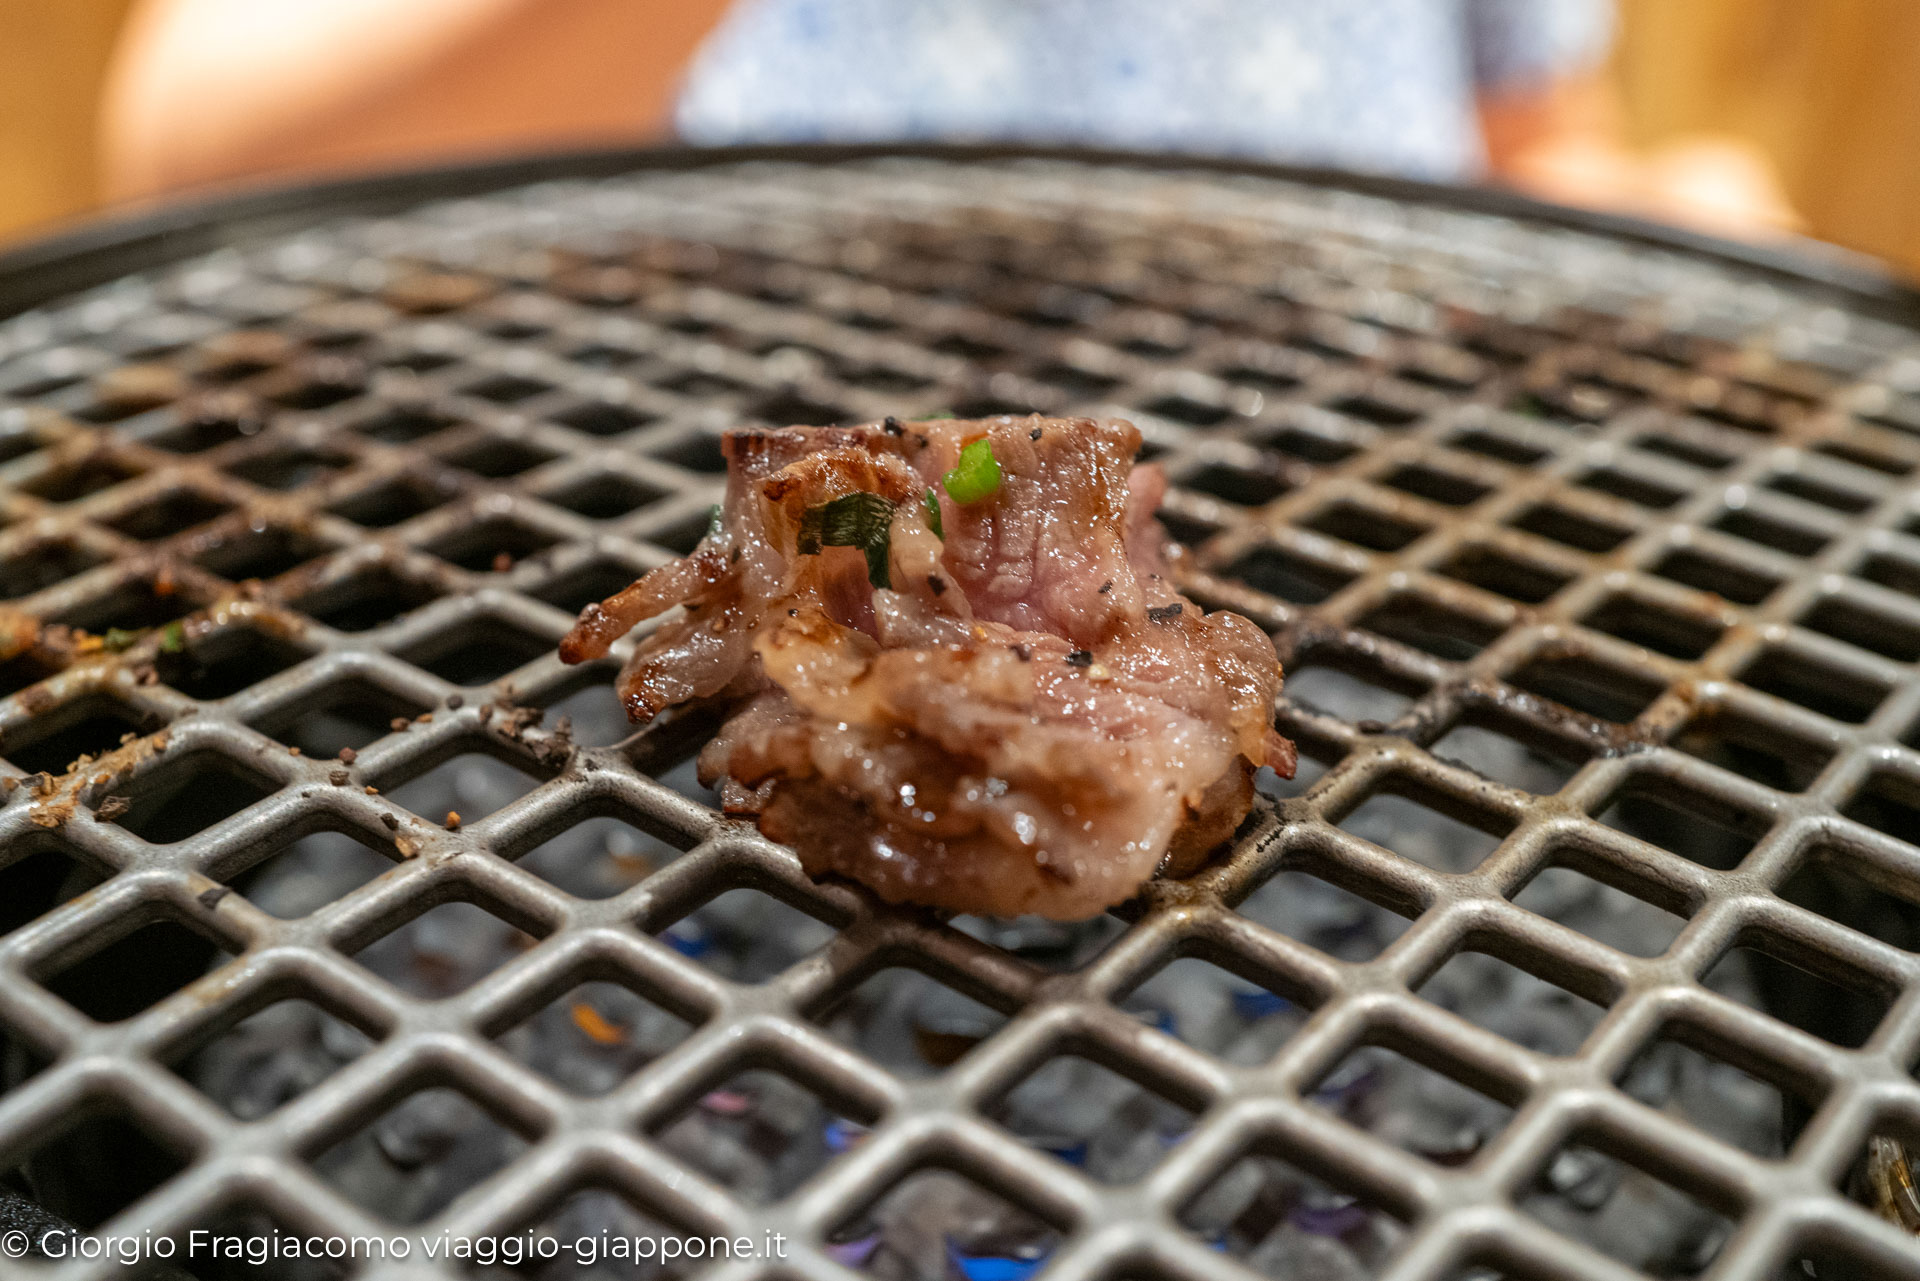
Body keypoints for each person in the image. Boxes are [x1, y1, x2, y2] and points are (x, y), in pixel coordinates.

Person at [99, 0, 1795, 238]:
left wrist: (1664, 205)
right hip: (672, 437)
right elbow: (198, 158)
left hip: (1367, 531)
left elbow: (1520, 135)